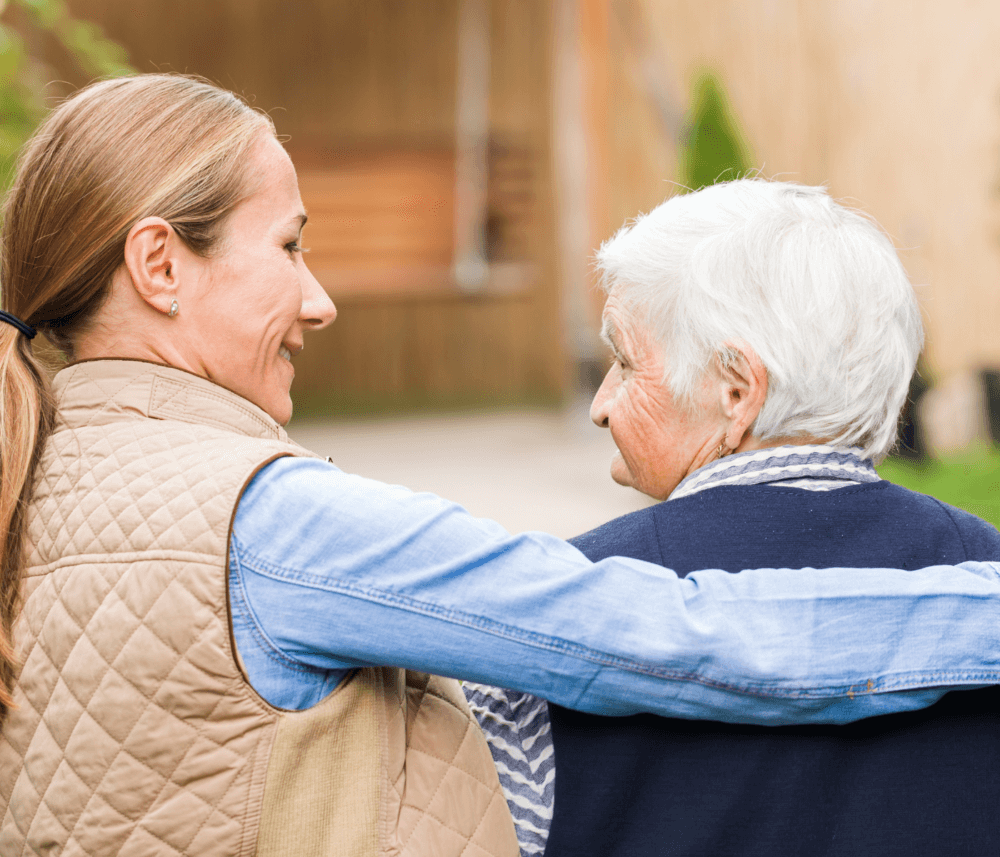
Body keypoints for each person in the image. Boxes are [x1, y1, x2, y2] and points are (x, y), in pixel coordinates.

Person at [1, 75, 999, 856]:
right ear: (160, 264)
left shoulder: (31, 482)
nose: (319, 300)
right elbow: (674, 634)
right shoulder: (263, 522)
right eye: (290, 245)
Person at [465, 180, 1000, 857]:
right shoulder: (985, 566)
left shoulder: (553, 611)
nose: (600, 405)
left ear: (737, 390)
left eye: (627, 364)